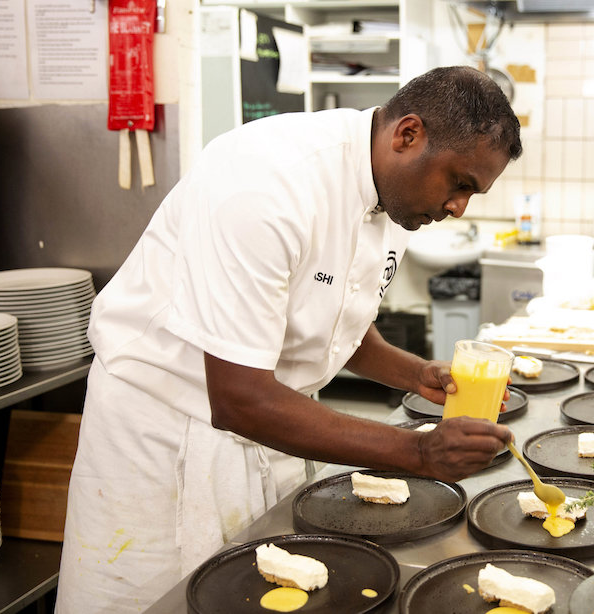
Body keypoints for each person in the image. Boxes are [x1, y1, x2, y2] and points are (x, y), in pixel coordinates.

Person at [55, 66, 522, 613]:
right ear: (408, 135)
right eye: (460, 183)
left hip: (273, 424)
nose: (459, 207)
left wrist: (414, 374)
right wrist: (418, 451)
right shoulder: (266, 181)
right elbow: (238, 398)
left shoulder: (396, 195)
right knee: (155, 602)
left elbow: (332, 320)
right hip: (168, 437)